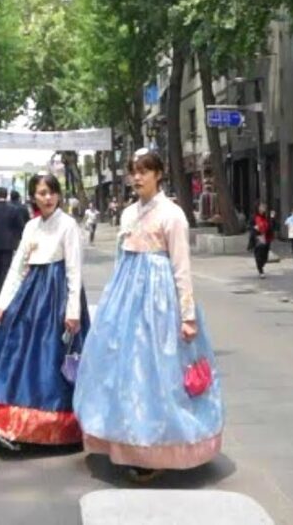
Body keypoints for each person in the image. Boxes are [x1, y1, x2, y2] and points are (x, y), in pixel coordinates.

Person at [74, 148, 223, 483]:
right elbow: (120, 262)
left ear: (158, 174)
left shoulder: (172, 215)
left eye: (145, 171)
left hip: (161, 304)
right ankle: (128, 440)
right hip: (126, 303)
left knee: (161, 374)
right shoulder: (128, 215)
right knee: (126, 370)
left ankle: (161, 446)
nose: (138, 177)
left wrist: (187, 315)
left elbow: (182, 267)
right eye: (134, 171)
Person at [0, 172, 90, 452]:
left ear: (58, 194)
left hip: (57, 297)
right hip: (30, 294)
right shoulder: (31, 226)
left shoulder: (68, 225)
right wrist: (3, 302)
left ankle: (54, 424)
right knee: (13, 354)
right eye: (41, 193)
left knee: (52, 360)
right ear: (33, 197)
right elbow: (18, 266)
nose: (47, 198)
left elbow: (74, 270)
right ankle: (6, 419)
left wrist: (72, 310)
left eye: (51, 192)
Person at [0, 187, 28, 297]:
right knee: (6, 267)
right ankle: (3, 290)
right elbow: (20, 226)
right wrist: (17, 239)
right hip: (9, 244)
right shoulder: (13, 209)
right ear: (6, 196)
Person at [251, 202, 274, 278]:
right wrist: (255, 228)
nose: (263, 209)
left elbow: (271, 226)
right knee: (258, 255)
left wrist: (272, 218)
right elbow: (251, 226)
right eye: (261, 207)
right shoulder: (254, 217)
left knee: (265, 256)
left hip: (267, 238)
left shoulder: (267, 217)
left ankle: (261, 264)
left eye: (264, 207)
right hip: (258, 237)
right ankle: (261, 271)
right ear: (258, 208)